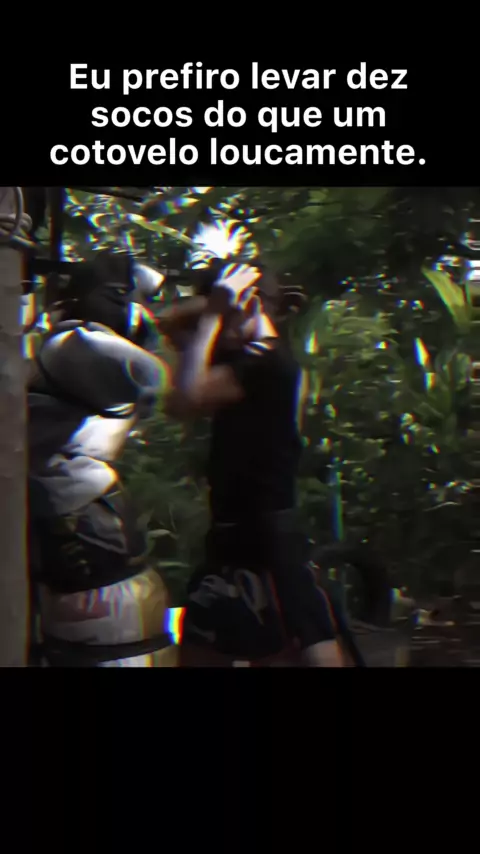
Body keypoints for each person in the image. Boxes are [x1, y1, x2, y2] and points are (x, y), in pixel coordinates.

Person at [166, 261, 344, 667]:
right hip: (233, 531)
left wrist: (214, 313)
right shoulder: (251, 355)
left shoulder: (266, 361)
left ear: (248, 303)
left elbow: (183, 401)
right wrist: (217, 306)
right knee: (206, 641)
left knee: (305, 636)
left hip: (266, 533)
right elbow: (171, 325)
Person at [28, 250, 178, 667]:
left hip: (82, 520)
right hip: (80, 523)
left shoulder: (67, 345)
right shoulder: (77, 343)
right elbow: (156, 380)